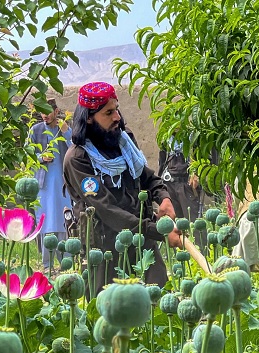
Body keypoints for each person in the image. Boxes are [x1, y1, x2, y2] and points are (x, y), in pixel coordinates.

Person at [63, 82, 183, 295]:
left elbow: (145, 176)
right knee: (108, 306)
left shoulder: (123, 141)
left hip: (142, 240)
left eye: (116, 109)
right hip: (105, 249)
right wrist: (158, 231)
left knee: (157, 298)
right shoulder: (78, 159)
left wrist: (163, 197)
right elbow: (106, 209)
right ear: (89, 118)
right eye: (108, 113)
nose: (117, 117)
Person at [29, 98, 72, 269]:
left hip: (63, 184)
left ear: (56, 111)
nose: (44, 115)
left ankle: (66, 263)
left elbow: (76, 148)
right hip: (43, 184)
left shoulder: (64, 128)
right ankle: (47, 264)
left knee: (63, 220)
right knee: (45, 222)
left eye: (47, 112)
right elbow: (27, 154)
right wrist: (41, 157)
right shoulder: (35, 130)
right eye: (42, 112)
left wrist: (67, 132)